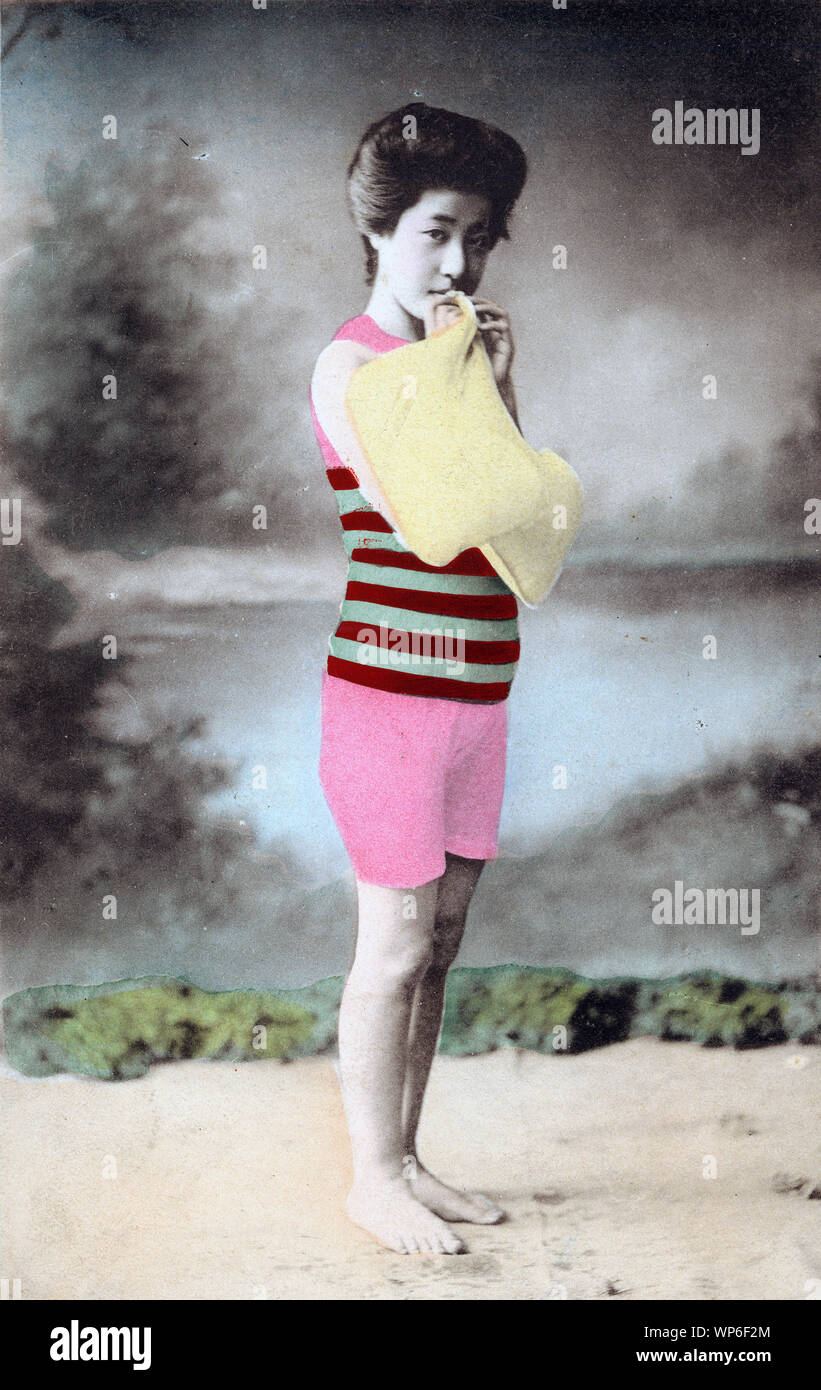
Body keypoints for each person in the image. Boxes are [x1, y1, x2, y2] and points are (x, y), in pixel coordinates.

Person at [309, 102, 529, 1255]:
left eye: (481, 237)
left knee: (437, 947)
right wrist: (470, 389)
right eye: (437, 231)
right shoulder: (352, 364)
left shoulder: (454, 361)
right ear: (383, 230)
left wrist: (494, 381)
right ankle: (368, 1179)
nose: (458, 262)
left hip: (476, 692)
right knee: (389, 947)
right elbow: (443, 520)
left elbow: (519, 527)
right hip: (388, 697)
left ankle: (405, 1155)